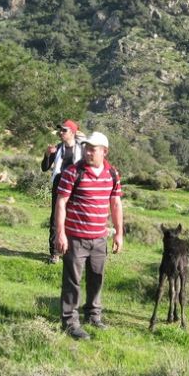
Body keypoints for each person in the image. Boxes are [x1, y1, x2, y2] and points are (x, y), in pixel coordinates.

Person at [54, 131, 124, 340]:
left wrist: (119, 233)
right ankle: (69, 322)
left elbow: (116, 203)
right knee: (72, 281)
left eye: (93, 149)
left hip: (99, 238)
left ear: (105, 152)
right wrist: (60, 234)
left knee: (96, 278)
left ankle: (93, 316)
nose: (88, 152)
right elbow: (61, 203)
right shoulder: (73, 172)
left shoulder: (112, 174)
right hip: (75, 237)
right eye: (86, 148)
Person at [41, 119, 84, 264]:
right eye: (60, 130)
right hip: (59, 186)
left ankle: (71, 252)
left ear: (72, 132)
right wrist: (47, 155)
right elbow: (45, 168)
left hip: (77, 188)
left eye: (64, 130)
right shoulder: (57, 148)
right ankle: (55, 253)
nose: (61, 132)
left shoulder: (82, 150)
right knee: (56, 219)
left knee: (74, 219)